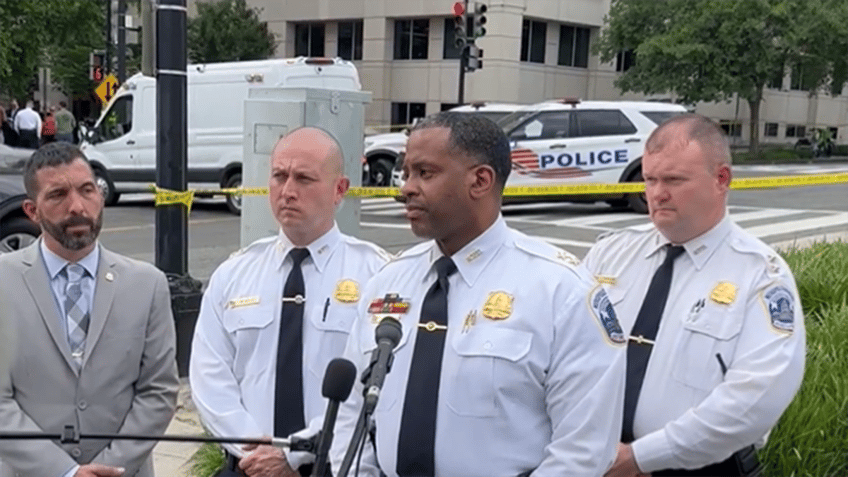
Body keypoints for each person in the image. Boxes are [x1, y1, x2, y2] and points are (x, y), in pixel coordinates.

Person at [330, 112, 627, 477]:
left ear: (480, 180)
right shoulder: (387, 282)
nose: (406, 187)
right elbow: (352, 415)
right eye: (407, 172)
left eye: (425, 173)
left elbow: (584, 447)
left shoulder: (560, 289)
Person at [580, 114, 806, 477]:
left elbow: (754, 399)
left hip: (698, 469)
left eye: (674, 180)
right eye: (650, 179)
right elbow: (561, 352)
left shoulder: (760, 276)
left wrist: (641, 457)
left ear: (721, 179)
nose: (656, 193)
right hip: (594, 461)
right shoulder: (611, 254)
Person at [190, 127, 391, 477]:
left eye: (304, 178)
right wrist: (255, 449)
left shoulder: (376, 275)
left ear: (339, 190)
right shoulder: (234, 274)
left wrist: (295, 453)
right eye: (279, 176)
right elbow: (210, 377)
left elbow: (376, 384)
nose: (287, 191)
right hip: (249, 467)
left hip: (332, 465)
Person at [0, 142, 180, 477]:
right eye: (57, 195)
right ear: (31, 210)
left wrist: (108, 467)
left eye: (87, 190)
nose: (78, 207)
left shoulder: (146, 285)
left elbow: (159, 391)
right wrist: (64, 471)